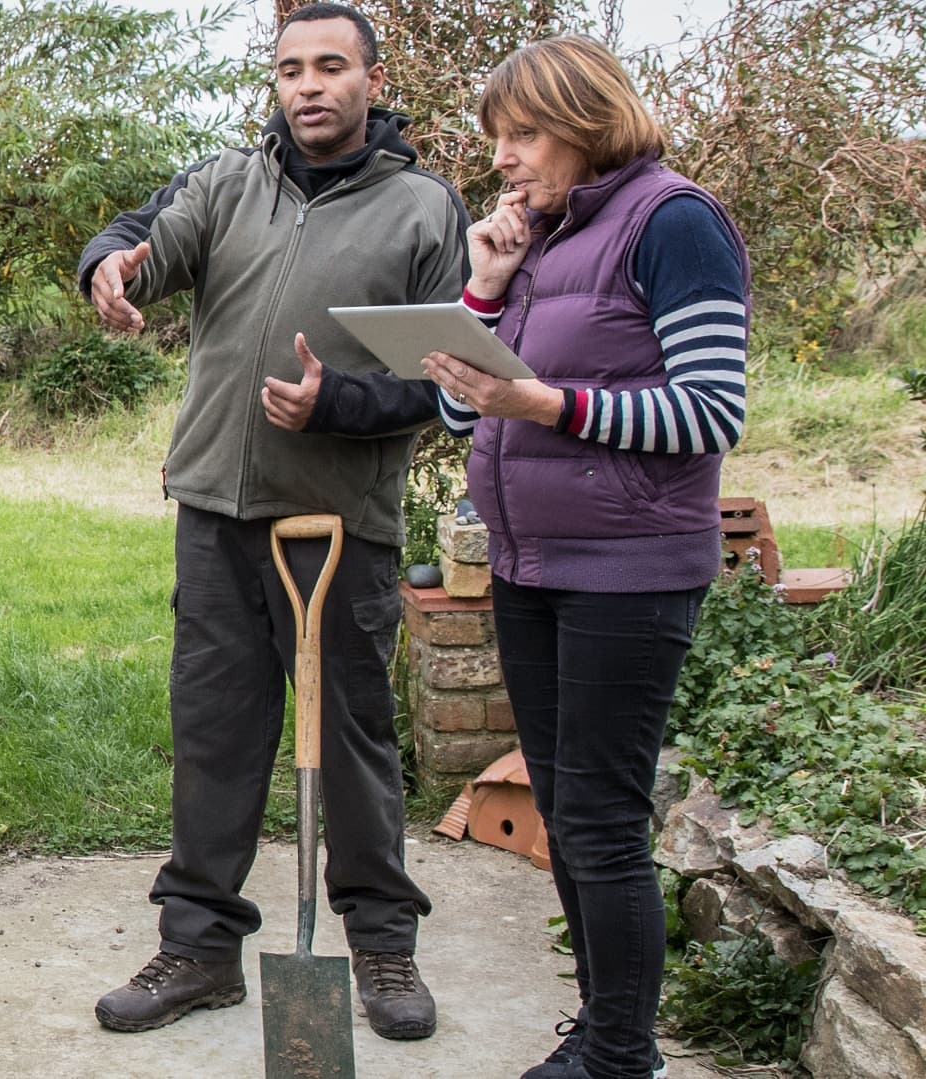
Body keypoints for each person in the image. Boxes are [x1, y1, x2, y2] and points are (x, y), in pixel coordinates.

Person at [77, 2, 469, 1040]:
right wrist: (110, 272)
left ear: (372, 82)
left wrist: (336, 401)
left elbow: (446, 383)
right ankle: (200, 947)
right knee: (214, 734)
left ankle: (383, 947)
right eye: (291, 68)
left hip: (340, 523)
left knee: (352, 739)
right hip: (214, 515)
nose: (308, 85)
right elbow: (134, 240)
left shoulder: (428, 212)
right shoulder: (224, 184)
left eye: (331, 66)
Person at [419, 35, 750, 1079]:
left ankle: (618, 1054)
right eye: (498, 140)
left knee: (601, 820)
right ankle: (603, 1031)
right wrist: (484, 286)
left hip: (630, 570)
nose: (505, 159)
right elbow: (454, 406)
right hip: (531, 563)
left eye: (523, 134)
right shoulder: (546, 243)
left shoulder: (675, 222)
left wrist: (542, 401)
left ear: (589, 120)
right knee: (569, 814)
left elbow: (708, 411)